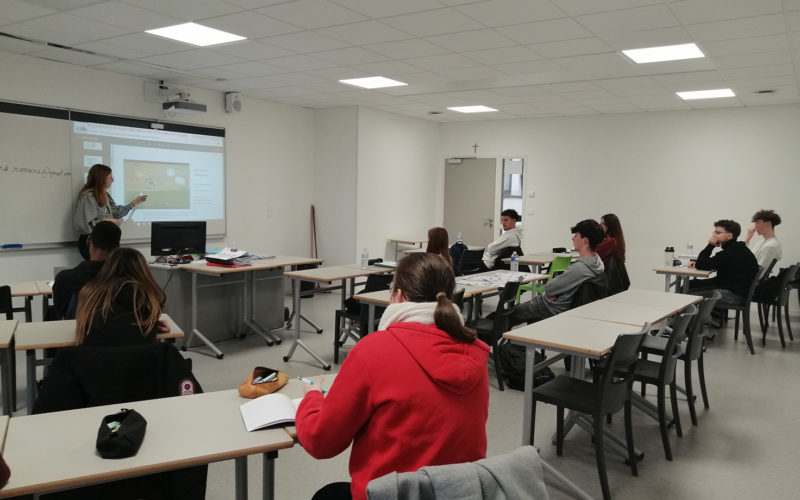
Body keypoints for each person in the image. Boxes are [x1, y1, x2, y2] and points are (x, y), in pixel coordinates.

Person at [295, 253, 490, 500]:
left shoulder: (373, 350)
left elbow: (320, 443)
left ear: (398, 296)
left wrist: (311, 398)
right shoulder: (475, 351)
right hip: (457, 492)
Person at [510, 219, 606, 326]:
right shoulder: (598, 263)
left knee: (504, 315)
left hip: (549, 307)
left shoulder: (579, 268)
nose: (573, 238)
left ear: (585, 241)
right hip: (560, 305)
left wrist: (554, 293)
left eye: (576, 235)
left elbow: (549, 288)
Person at [75, 247, 168, 346]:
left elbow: (109, 325)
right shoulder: (151, 297)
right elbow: (126, 327)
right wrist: (151, 324)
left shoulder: (89, 293)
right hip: (139, 359)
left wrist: (152, 323)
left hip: (96, 359)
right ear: (144, 271)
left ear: (107, 267)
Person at [74, 164, 147, 260]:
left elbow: (116, 213)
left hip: (104, 241)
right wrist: (109, 221)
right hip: (93, 243)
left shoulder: (105, 195)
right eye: (110, 177)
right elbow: (88, 224)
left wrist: (133, 203)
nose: (112, 180)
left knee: (108, 272)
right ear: (101, 178)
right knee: (100, 273)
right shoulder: (88, 197)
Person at [52, 220, 121, 319]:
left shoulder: (64, 279)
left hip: (76, 332)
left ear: (88, 240)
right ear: (117, 247)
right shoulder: (125, 281)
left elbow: (60, 315)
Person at [688, 219, 758, 304]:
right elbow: (708, 263)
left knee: (688, 292)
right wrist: (700, 262)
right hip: (733, 289)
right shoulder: (737, 248)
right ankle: (709, 317)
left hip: (733, 295)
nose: (714, 235)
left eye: (718, 233)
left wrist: (710, 245)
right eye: (714, 232)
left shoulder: (730, 252)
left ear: (729, 236)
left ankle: (698, 317)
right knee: (690, 284)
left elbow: (701, 265)